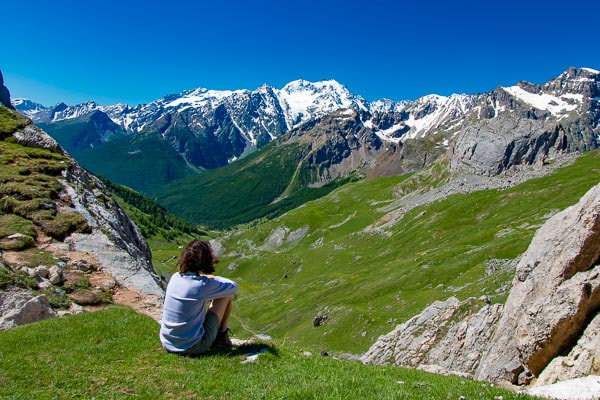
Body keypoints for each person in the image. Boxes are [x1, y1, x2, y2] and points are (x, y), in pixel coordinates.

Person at [159, 240, 238, 355]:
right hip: (192, 347)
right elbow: (233, 286)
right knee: (225, 295)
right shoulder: (202, 285)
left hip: (167, 342)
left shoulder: (175, 277)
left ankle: (218, 335)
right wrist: (212, 278)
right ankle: (222, 336)